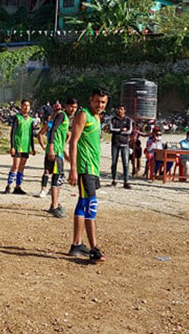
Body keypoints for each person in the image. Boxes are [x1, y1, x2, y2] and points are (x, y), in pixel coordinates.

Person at [67, 88, 109, 263]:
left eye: (103, 102)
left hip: (93, 168)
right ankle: (94, 248)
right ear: (91, 100)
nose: (100, 105)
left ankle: (77, 244)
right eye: (97, 101)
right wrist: (73, 168)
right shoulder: (83, 114)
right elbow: (73, 141)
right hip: (85, 168)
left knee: (83, 204)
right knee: (91, 206)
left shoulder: (97, 118)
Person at [43, 98, 77, 218]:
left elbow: (67, 134)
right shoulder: (62, 115)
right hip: (55, 152)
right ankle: (54, 206)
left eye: (75, 107)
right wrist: (52, 148)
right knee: (57, 178)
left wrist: (65, 147)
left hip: (59, 151)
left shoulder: (66, 118)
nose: (73, 109)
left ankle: (54, 204)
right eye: (71, 106)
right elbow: (52, 130)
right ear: (66, 106)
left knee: (59, 178)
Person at [4, 99, 38, 195]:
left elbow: (31, 134)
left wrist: (33, 148)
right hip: (18, 145)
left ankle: (18, 186)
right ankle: (9, 185)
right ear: (21, 106)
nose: (26, 107)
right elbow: (13, 132)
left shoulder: (31, 120)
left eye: (28, 106)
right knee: (15, 165)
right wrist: (12, 146)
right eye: (24, 105)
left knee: (22, 167)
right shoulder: (17, 118)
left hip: (26, 146)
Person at [108, 105, 135, 189]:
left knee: (126, 163)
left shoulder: (128, 120)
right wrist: (121, 130)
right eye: (118, 109)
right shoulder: (113, 119)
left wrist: (120, 131)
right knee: (114, 162)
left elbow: (129, 131)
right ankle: (114, 180)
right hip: (115, 143)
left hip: (125, 143)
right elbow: (111, 129)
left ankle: (126, 181)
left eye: (121, 109)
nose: (119, 111)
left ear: (124, 111)